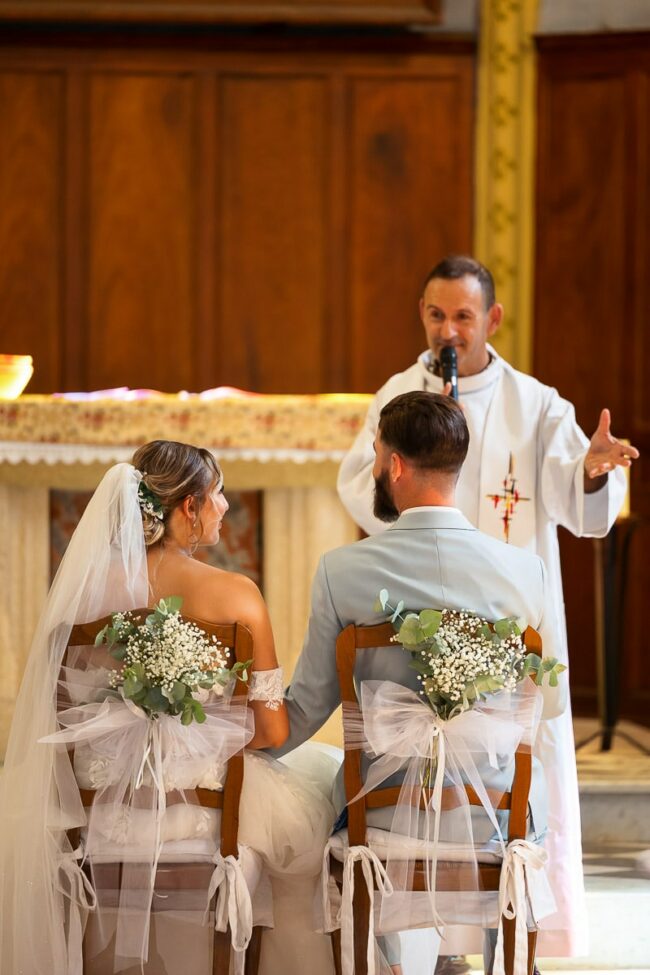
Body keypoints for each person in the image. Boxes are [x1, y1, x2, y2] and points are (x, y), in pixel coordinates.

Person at [336, 256, 639, 960]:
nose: (451, 330)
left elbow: (576, 493)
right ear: (422, 314)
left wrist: (591, 471)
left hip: (504, 636)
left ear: (492, 320)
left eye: (464, 316)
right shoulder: (400, 394)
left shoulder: (533, 404)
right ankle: (428, 932)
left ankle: (513, 918)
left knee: (513, 775)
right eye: (438, 315)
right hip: (421, 627)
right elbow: (358, 481)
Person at [0, 440, 337, 975]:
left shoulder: (79, 599)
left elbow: (61, 717)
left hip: (101, 818)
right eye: (219, 493)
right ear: (189, 507)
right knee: (308, 836)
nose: (224, 505)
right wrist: (195, 737)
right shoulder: (235, 595)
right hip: (199, 820)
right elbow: (271, 729)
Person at [273, 391, 566, 973]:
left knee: (312, 791)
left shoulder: (342, 570)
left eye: (379, 454)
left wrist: (236, 750)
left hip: (378, 818)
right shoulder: (523, 572)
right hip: (492, 816)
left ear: (396, 466)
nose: (378, 466)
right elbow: (550, 703)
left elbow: (306, 707)